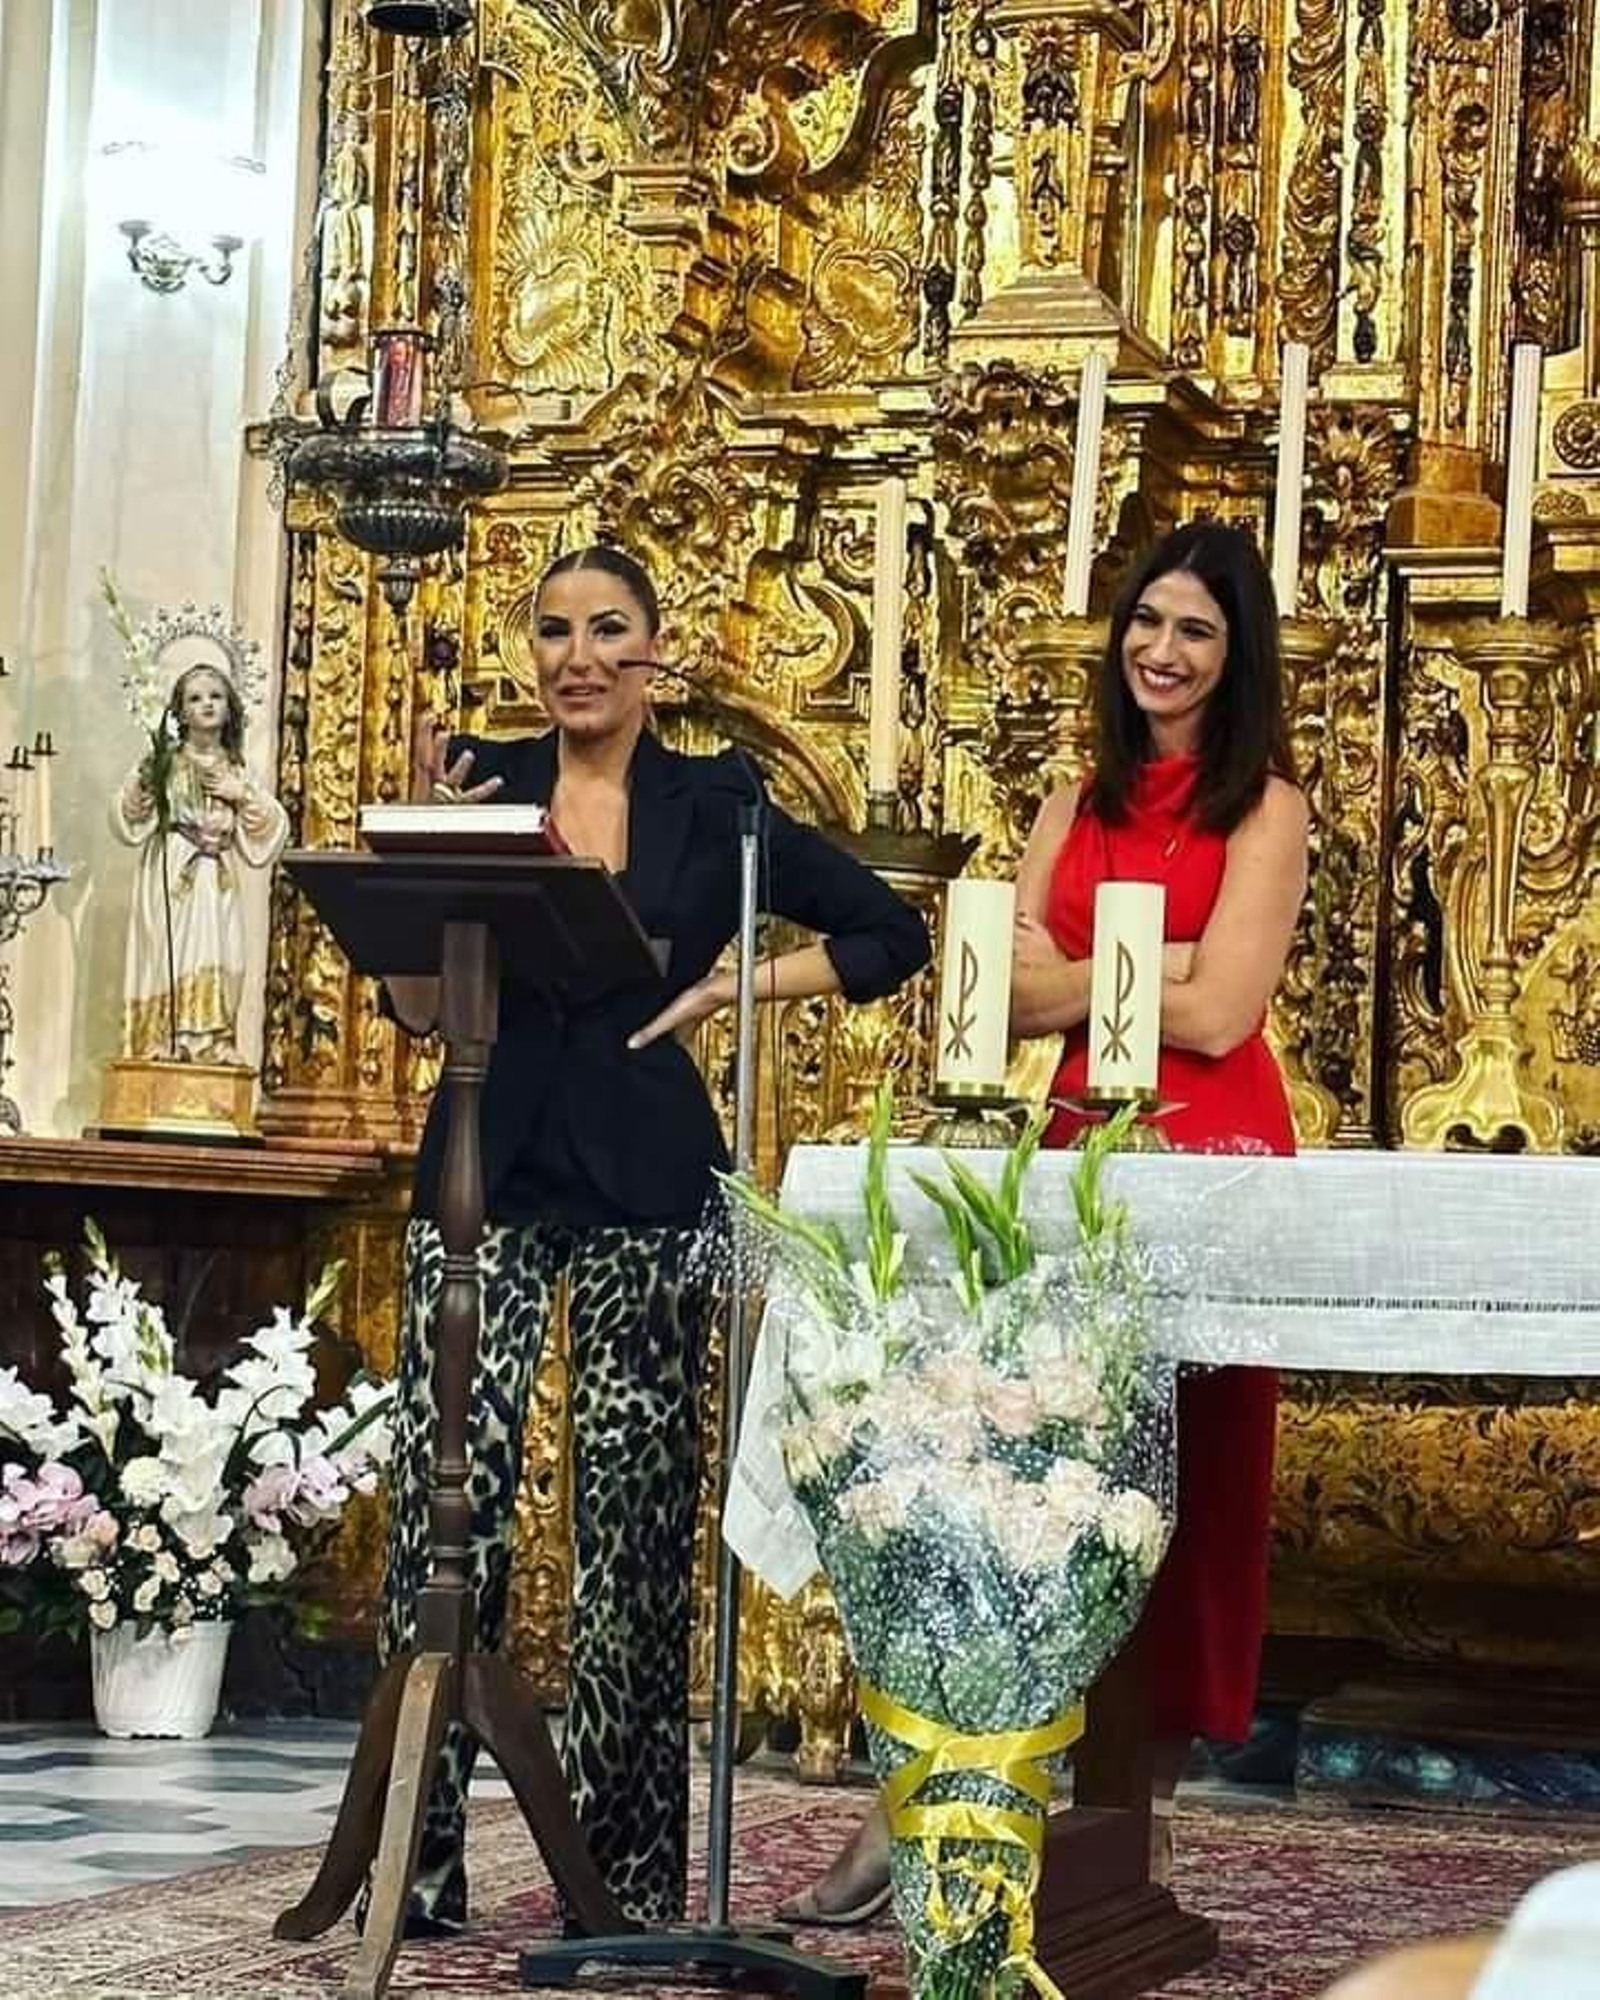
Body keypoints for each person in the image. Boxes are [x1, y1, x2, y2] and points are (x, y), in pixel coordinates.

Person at [378, 543, 931, 1935]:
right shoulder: (484, 783)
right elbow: (411, 1002)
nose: (577, 656)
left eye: (606, 629)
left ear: (652, 652)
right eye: (553, 631)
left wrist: (735, 987)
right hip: (483, 1181)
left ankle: (619, 1881)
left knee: (633, 1537)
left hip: (649, 1191)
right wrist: (402, 838)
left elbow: (887, 932)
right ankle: (416, 1861)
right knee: (448, 1524)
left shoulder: (718, 806)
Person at [780, 519, 1307, 1924]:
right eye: (1147, 622)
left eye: (1195, 629)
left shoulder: (1268, 808)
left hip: (1207, 1143)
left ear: (1234, 654)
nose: (1162, 650)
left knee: (1176, 1482)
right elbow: (987, 986)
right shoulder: (1078, 800)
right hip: (1067, 1139)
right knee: (1020, 1452)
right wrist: (1130, 962)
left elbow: (1221, 1011)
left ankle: (1135, 1815)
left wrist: (1093, 961)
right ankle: (959, 1782)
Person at [110, 662, 289, 1064]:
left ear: (230, 707)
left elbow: (273, 826)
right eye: (195, 698)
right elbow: (130, 815)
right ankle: (166, 1038)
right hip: (173, 869)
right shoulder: (166, 761)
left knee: (224, 954)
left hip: (217, 872)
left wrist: (240, 795)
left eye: (215, 696)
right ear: (180, 712)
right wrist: (143, 785)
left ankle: (214, 1041)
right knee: (167, 951)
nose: (207, 705)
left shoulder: (237, 768)